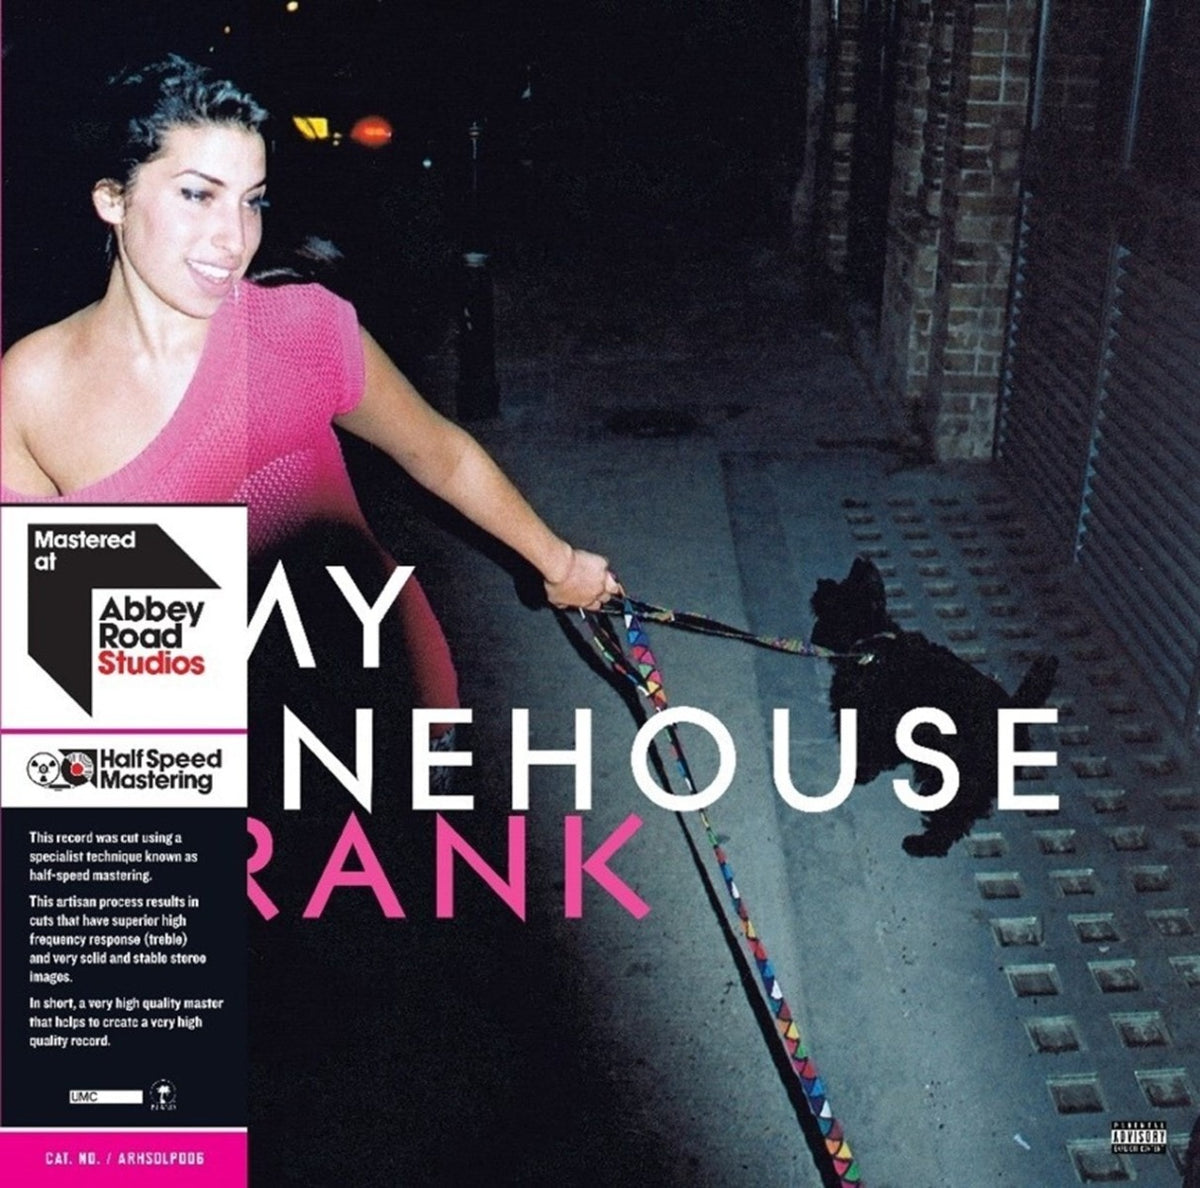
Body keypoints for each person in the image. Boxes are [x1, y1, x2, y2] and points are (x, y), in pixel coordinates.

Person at [0, 55, 620, 716]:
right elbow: (51, 642)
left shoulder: (301, 328)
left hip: (381, 707)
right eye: (198, 194)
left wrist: (560, 566)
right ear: (113, 199)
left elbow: (440, 454)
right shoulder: (31, 390)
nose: (234, 238)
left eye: (252, 201)